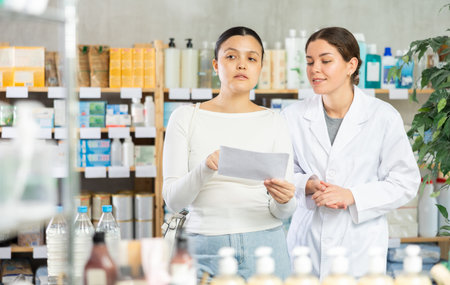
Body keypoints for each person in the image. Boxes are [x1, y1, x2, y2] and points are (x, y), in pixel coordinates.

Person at [282, 27, 420, 280]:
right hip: (306, 243)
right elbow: (280, 172)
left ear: (351, 65)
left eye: (326, 61)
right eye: (310, 62)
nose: (314, 69)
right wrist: (306, 184)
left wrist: (352, 195)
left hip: (360, 246)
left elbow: (405, 181)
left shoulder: (382, 116)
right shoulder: (292, 116)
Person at [163, 26, 296, 281]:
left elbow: (283, 211)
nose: (242, 65)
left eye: (251, 58)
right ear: (216, 65)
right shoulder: (186, 117)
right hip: (204, 247)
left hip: (266, 246)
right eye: (231, 56)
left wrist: (285, 200)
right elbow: (173, 201)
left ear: (260, 67)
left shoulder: (274, 120)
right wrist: (205, 168)